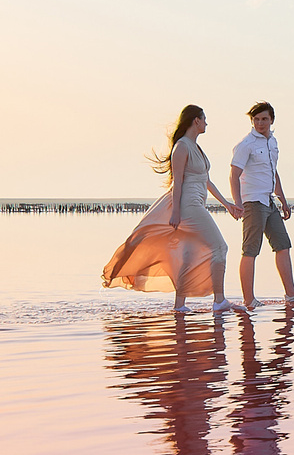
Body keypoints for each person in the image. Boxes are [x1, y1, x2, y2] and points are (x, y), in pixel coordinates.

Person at [100, 104, 243, 313]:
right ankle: (219, 300)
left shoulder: (196, 148)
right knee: (219, 247)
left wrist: (227, 204)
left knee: (189, 255)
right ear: (196, 120)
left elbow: (207, 181)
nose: (206, 123)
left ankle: (180, 305)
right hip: (189, 205)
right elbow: (177, 182)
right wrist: (176, 212)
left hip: (197, 203)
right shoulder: (182, 147)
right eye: (204, 119)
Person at [228, 100, 294, 306]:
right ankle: (249, 300)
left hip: (269, 200)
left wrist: (282, 200)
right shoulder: (246, 144)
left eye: (264, 119)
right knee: (250, 250)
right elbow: (233, 175)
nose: (260, 123)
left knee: (283, 245)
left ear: (271, 120)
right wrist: (238, 203)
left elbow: (273, 172)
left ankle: (291, 293)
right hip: (252, 202)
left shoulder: (272, 142)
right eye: (256, 119)